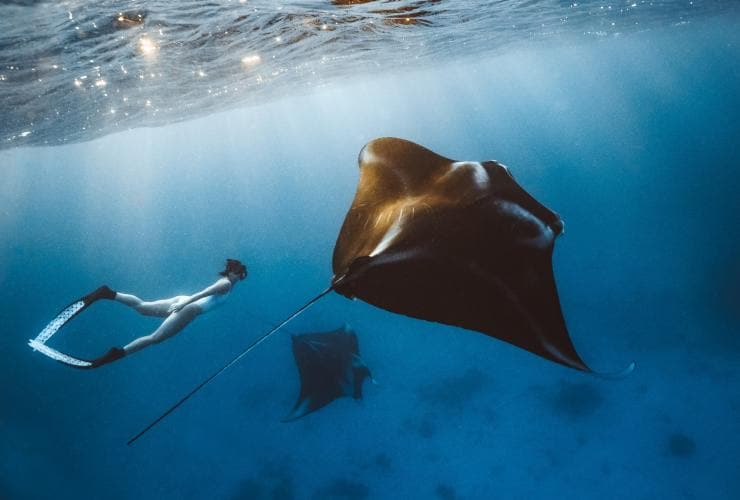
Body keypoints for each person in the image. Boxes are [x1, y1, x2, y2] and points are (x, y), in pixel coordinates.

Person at [81, 259, 247, 368]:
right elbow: (204, 293)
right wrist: (184, 304)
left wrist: (184, 301)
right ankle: (116, 354)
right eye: (238, 272)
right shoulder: (225, 284)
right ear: (232, 272)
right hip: (189, 308)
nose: (240, 276)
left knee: (142, 307)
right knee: (156, 338)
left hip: (185, 301)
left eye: (241, 273)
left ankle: (108, 293)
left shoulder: (227, 283)